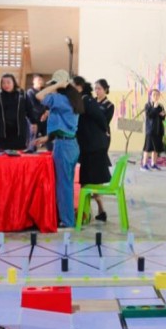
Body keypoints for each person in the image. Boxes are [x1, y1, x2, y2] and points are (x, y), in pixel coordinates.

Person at [34, 70, 84, 228]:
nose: (52, 88)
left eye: (54, 84)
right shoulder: (73, 99)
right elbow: (63, 123)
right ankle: (68, 217)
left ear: (60, 85)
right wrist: (48, 137)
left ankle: (67, 221)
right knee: (67, 184)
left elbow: (39, 96)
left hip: (63, 147)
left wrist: (56, 86)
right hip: (72, 145)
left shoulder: (60, 99)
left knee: (64, 186)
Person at [72, 76, 111, 222]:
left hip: (94, 147)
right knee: (88, 182)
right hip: (90, 147)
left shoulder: (87, 100)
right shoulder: (84, 100)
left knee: (90, 182)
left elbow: (101, 118)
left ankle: (84, 213)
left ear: (79, 87)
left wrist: (104, 131)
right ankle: (93, 211)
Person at [141, 89, 166, 171]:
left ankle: (153, 164)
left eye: (157, 95)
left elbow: (163, 117)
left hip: (158, 130)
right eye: (154, 94)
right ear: (151, 96)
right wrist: (155, 107)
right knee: (148, 148)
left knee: (156, 148)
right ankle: (144, 164)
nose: (155, 96)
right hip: (150, 130)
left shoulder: (160, 106)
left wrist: (163, 115)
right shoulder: (147, 105)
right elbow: (149, 115)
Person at [26, 74, 49, 148]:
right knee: (32, 140)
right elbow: (33, 107)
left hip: (44, 119)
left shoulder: (44, 92)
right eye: (38, 80)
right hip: (34, 120)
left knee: (48, 138)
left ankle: (51, 152)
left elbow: (48, 105)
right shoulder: (30, 92)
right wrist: (43, 112)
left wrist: (46, 113)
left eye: (41, 80)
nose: (40, 81)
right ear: (33, 81)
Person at [94, 79, 115, 149]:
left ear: (105, 90)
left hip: (102, 135)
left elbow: (105, 121)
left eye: (99, 89)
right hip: (90, 134)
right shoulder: (91, 102)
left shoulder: (109, 105)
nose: (97, 91)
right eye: (95, 88)